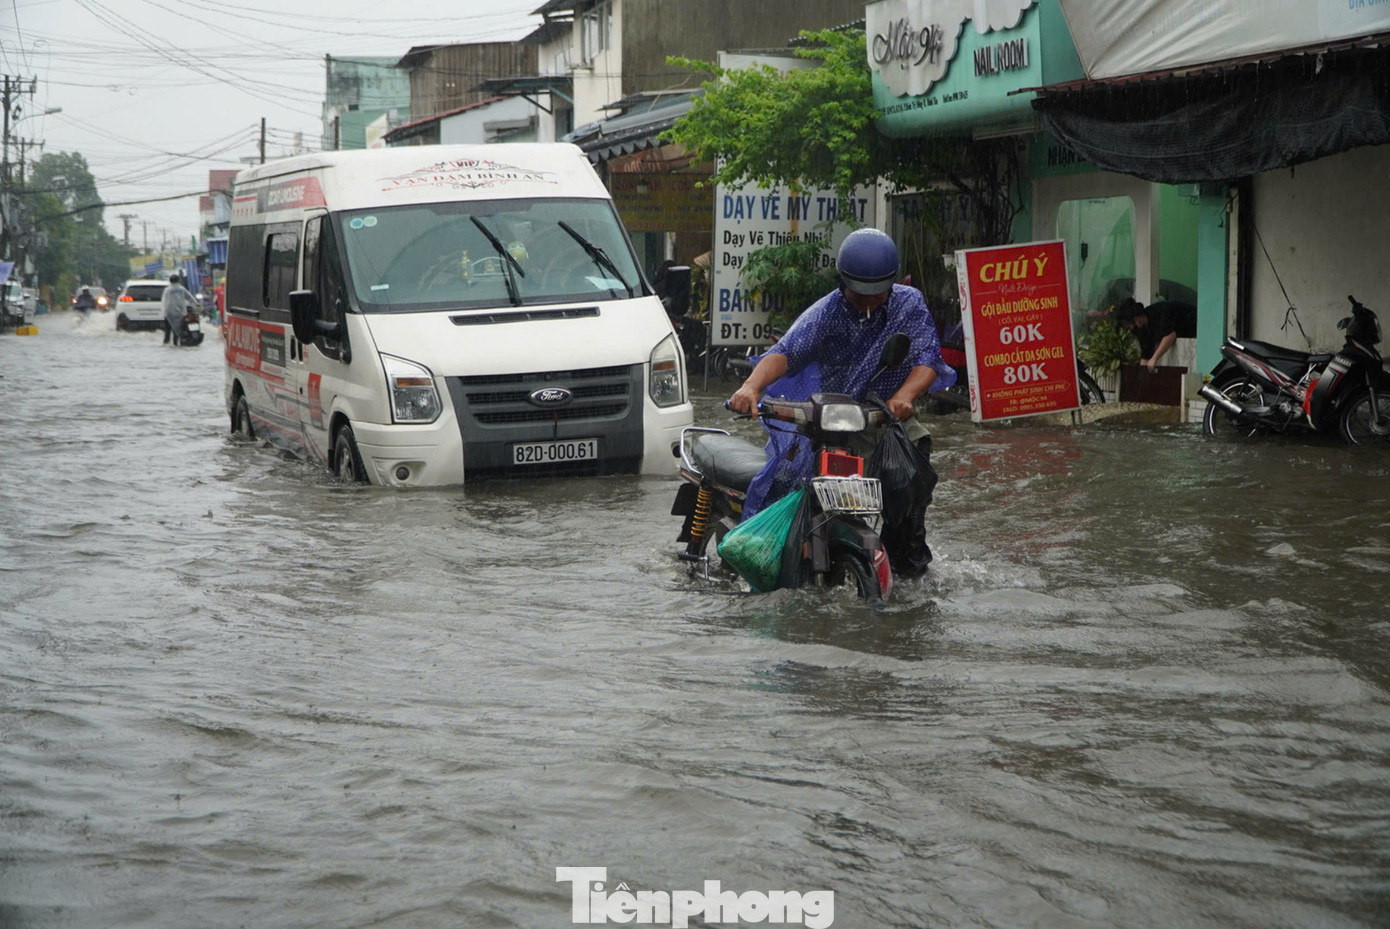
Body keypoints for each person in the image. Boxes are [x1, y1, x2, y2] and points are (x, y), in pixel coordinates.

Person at [727, 228, 955, 577]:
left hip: (886, 416)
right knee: (792, 484)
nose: (866, 302)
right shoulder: (826, 313)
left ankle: (907, 567)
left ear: (891, 284)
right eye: (858, 294)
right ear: (842, 282)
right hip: (834, 418)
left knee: (912, 477)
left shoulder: (909, 304)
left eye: (876, 295)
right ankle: (780, 556)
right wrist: (751, 386)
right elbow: (786, 353)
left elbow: (927, 357)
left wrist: (904, 396)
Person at [1113, 297, 1197, 371]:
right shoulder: (1139, 329)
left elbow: (1170, 335)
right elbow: (1146, 354)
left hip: (1194, 323)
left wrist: (1154, 358)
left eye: (1132, 322)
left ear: (1136, 317)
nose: (1132, 327)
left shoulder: (1159, 313)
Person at [162, 274, 196, 345]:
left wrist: (164, 312)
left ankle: (166, 343)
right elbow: (190, 298)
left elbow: (164, 301)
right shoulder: (182, 289)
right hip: (180, 313)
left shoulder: (167, 289)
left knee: (167, 331)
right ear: (178, 280)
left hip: (169, 313)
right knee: (177, 330)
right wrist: (197, 304)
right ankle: (176, 344)